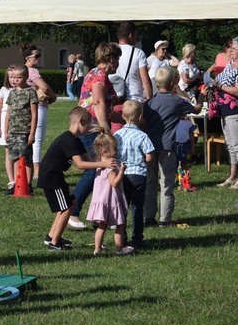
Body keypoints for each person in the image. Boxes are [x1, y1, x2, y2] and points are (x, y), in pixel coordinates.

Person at [37, 107, 113, 251]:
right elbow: (80, 164)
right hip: (50, 176)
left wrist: (104, 158)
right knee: (66, 208)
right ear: (81, 121)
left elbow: (89, 159)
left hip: (56, 175)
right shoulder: (68, 139)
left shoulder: (76, 140)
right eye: (89, 124)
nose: (90, 127)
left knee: (71, 202)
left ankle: (52, 236)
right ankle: (54, 243)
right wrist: (103, 164)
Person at [69, 42, 122, 230]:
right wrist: (105, 130)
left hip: (92, 126)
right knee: (94, 169)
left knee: (98, 171)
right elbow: (98, 104)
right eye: (118, 58)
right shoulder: (99, 77)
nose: (118, 62)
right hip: (91, 128)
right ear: (110, 58)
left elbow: (105, 107)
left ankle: (98, 215)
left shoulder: (97, 74)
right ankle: (72, 213)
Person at [143, 66, 202, 228]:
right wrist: (200, 96)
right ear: (172, 83)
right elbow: (195, 108)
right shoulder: (177, 101)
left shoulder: (149, 103)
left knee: (151, 182)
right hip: (168, 147)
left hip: (150, 147)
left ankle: (148, 217)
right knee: (167, 183)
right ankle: (165, 219)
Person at [86, 130, 136, 256]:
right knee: (120, 224)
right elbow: (114, 183)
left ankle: (97, 249)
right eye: (115, 149)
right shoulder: (111, 167)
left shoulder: (99, 165)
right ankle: (119, 249)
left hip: (102, 200)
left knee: (101, 226)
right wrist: (122, 171)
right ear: (105, 152)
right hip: (111, 200)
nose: (117, 151)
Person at [213, 36, 238, 189]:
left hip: (237, 110)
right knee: (230, 144)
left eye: (234, 48)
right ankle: (232, 175)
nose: (230, 50)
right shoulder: (231, 64)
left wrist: (219, 85)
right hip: (225, 110)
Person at [114, 100, 154, 248]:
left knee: (123, 207)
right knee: (138, 208)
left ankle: (121, 237)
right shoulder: (142, 136)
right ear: (140, 117)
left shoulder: (117, 135)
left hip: (121, 175)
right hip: (138, 175)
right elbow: (149, 156)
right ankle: (137, 238)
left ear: (123, 116)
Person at [22, 44, 57, 180]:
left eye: (39, 55)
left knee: (29, 139)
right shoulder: (33, 71)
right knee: (37, 140)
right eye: (36, 56)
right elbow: (44, 87)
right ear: (27, 58)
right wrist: (53, 96)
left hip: (26, 108)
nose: (38, 58)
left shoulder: (21, 71)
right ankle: (37, 171)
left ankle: (28, 168)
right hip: (38, 107)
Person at [3, 64, 38, 194]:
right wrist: (6, 131)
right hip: (13, 131)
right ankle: (17, 183)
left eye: (19, 77)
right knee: (15, 157)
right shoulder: (12, 93)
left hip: (25, 131)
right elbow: (8, 113)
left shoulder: (30, 92)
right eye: (14, 77)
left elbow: (34, 114)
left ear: (26, 77)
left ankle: (27, 184)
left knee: (26, 159)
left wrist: (32, 133)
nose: (16, 80)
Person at [116, 21, 152, 102]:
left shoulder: (111, 52)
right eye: (136, 35)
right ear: (130, 35)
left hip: (116, 99)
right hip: (134, 99)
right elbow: (145, 81)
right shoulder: (138, 53)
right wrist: (150, 101)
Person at [0, 66, 15, 192]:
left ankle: (20, 178)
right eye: (11, 77)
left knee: (18, 152)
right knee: (8, 151)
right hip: (4, 121)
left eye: (15, 77)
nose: (13, 80)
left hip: (18, 121)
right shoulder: (3, 90)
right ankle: (11, 180)